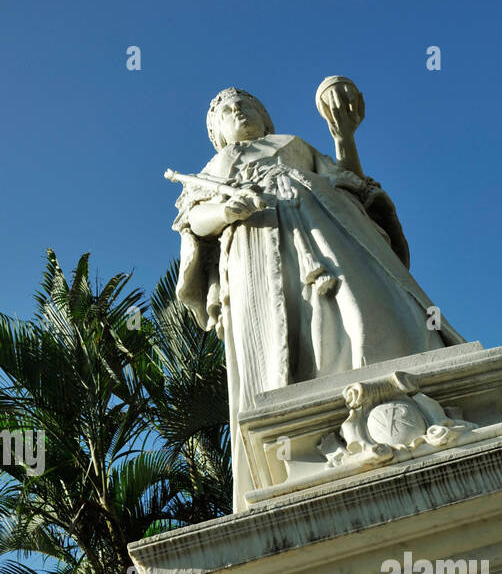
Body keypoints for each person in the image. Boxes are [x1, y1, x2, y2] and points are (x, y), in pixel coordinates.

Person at [171, 83, 464, 509]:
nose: (238, 111)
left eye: (247, 104)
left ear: (266, 117)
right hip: (254, 246)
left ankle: (391, 368)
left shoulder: (293, 145)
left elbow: (353, 187)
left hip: (327, 222)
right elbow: (195, 220)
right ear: (216, 133)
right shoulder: (212, 169)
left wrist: (343, 135)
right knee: (283, 333)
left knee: (364, 298)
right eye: (227, 110)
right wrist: (226, 212)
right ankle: (301, 410)